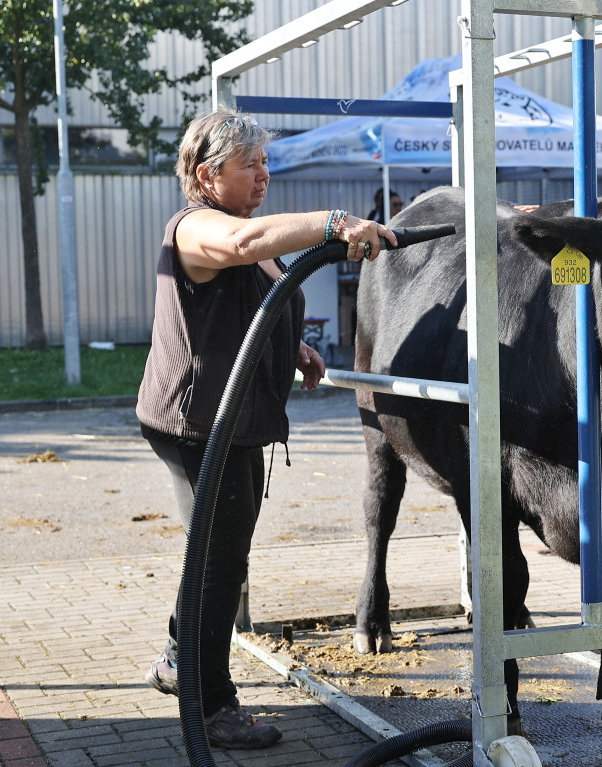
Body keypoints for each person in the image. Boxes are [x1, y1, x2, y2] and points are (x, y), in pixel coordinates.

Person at [137, 107, 395, 749]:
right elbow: (243, 250)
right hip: (199, 422)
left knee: (218, 554)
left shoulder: (247, 230)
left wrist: (296, 350)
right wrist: (333, 223)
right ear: (206, 173)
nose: (264, 175)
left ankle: (179, 657)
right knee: (222, 563)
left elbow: (264, 297)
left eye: (265, 162)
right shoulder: (196, 229)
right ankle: (211, 705)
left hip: (239, 419)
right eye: (249, 164)